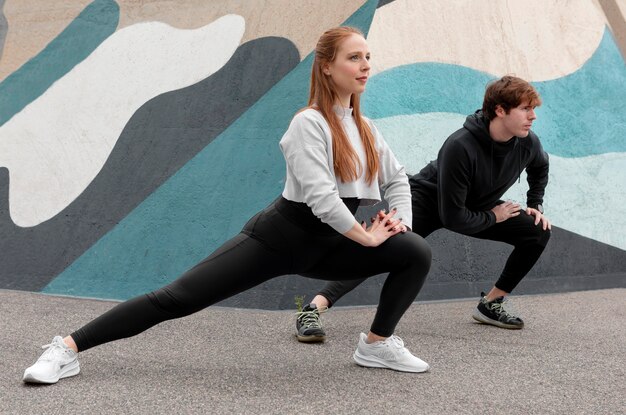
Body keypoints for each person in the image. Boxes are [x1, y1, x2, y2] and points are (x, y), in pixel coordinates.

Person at [23, 26, 433, 384]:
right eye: (354, 57)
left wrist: (399, 225)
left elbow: (397, 178)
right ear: (327, 66)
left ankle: (376, 346)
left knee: (413, 250)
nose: (364, 65)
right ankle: (66, 348)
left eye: (367, 57)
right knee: (176, 299)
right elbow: (323, 198)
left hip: (330, 245)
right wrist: (364, 235)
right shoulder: (308, 123)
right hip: (279, 238)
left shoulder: (365, 129)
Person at [296, 75, 551, 342]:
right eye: (525, 108)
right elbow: (453, 218)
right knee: (376, 247)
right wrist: (493, 216)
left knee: (537, 231)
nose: (533, 116)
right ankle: (312, 309)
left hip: (476, 203)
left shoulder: (527, 142)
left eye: (533, 109)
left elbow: (540, 166)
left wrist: (535, 204)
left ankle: (491, 304)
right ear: (500, 110)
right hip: (427, 200)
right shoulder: (461, 145)